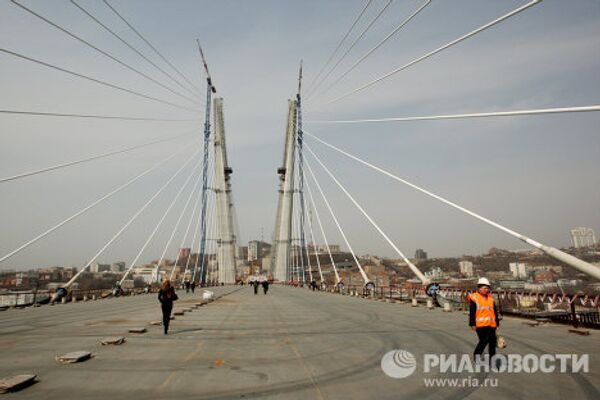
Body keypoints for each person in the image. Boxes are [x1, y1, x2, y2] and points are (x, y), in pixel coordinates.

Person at [468, 277, 500, 362]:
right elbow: (472, 312)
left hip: (491, 324)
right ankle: (477, 354)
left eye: (487, 288)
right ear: (479, 288)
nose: (486, 290)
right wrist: (472, 324)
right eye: (484, 288)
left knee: (492, 343)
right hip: (480, 325)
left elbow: (494, 311)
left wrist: (497, 323)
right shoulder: (474, 298)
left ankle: (492, 360)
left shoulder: (490, 298)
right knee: (484, 341)